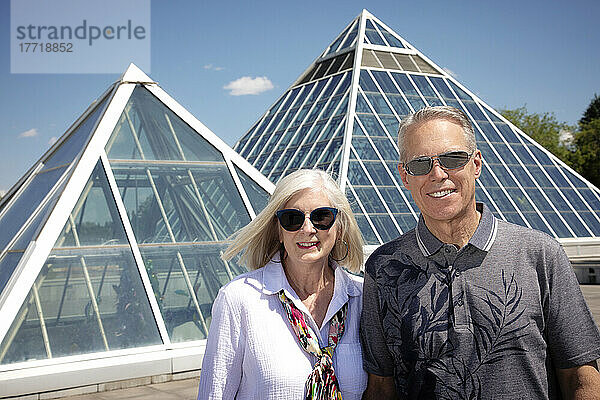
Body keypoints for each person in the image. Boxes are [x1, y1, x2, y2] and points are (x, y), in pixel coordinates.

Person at [360, 106, 600, 399]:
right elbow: (381, 386)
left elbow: (581, 376)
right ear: (405, 176)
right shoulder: (383, 268)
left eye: (453, 159)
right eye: (420, 164)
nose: (437, 174)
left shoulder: (540, 254)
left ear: (476, 164)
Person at [198, 169, 367, 400]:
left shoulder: (364, 298)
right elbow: (214, 394)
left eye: (322, 217)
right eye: (292, 219)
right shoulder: (239, 299)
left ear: (339, 227)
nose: (308, 229)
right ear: (278, 230)